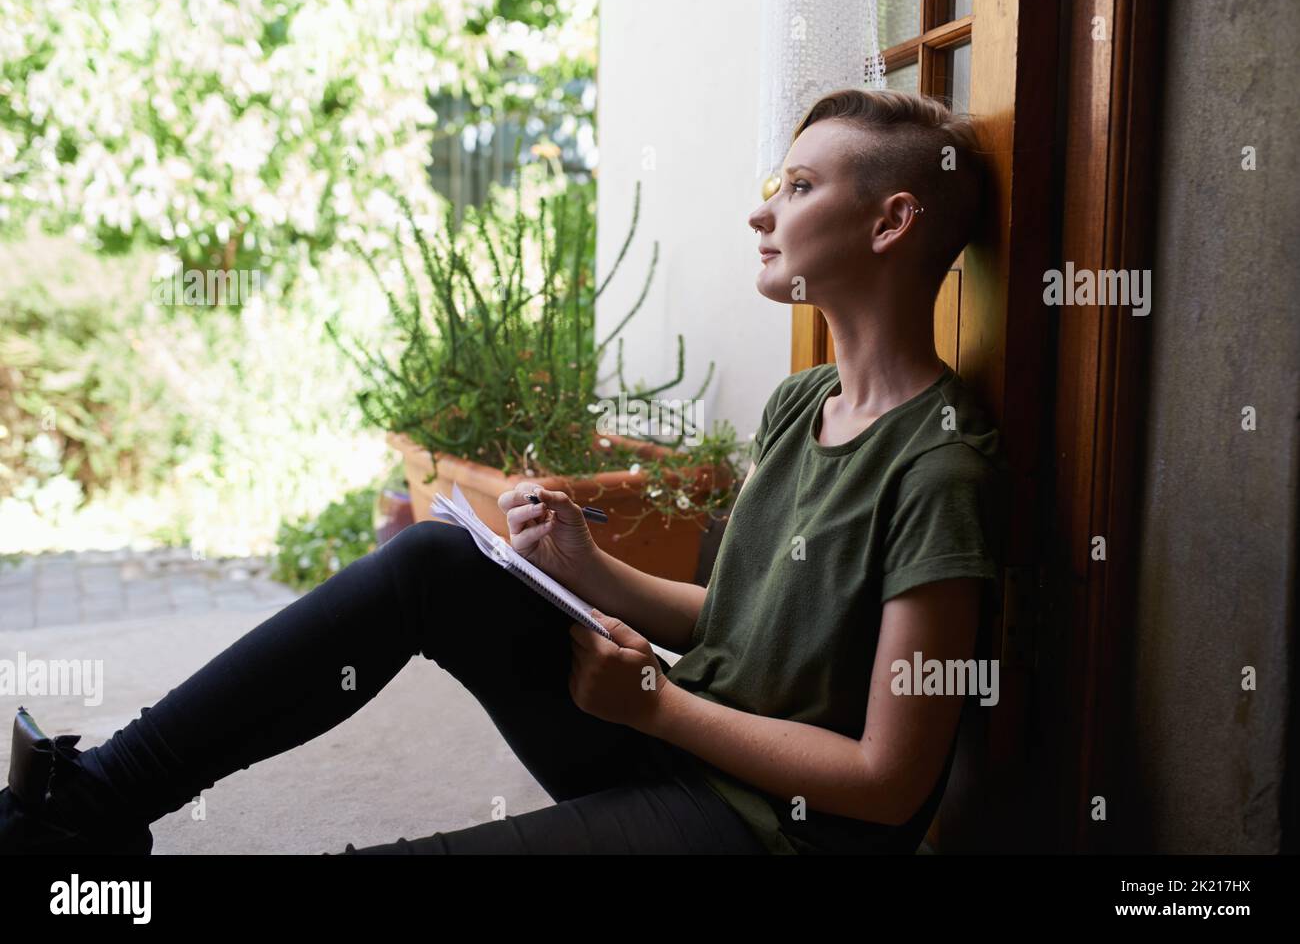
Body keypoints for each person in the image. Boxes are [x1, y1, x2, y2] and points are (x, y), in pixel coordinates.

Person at [0, 87, 1007, 855]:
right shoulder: (803, 404)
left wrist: (657, 705)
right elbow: (744, 620)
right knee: (433, 562)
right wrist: (584, 569)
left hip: (772, 824)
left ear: (890, 224)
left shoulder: (938, 467)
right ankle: (88, 805)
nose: (761, 213)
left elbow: (887, 781)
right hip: (682, 733)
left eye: (798, 187)